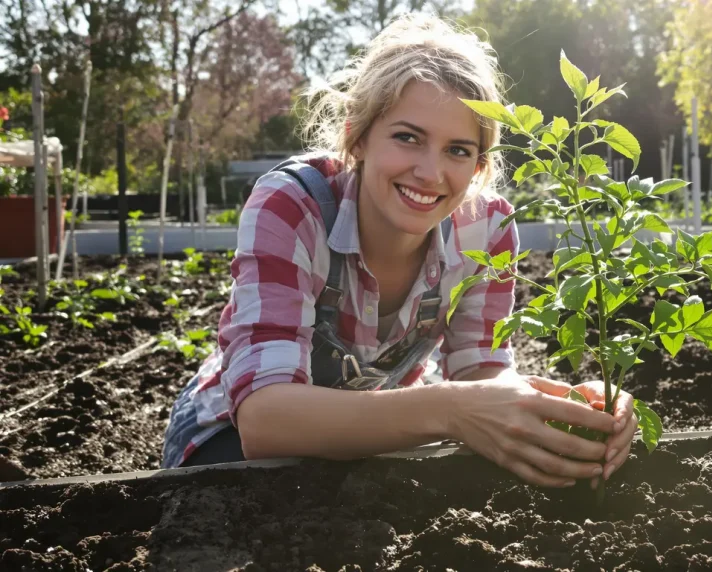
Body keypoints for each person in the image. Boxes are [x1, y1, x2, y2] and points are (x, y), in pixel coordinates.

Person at [161, 14, 638, 490]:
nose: (430, 173)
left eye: (457, 150)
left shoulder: (486, 228)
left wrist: (570, 408)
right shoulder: (294, 206)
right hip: (228, 440)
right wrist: (450, 410)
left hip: (379, 441)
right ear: (359, 135)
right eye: (407, 138)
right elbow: (266, 423)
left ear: (479, 165)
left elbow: (481, 371)